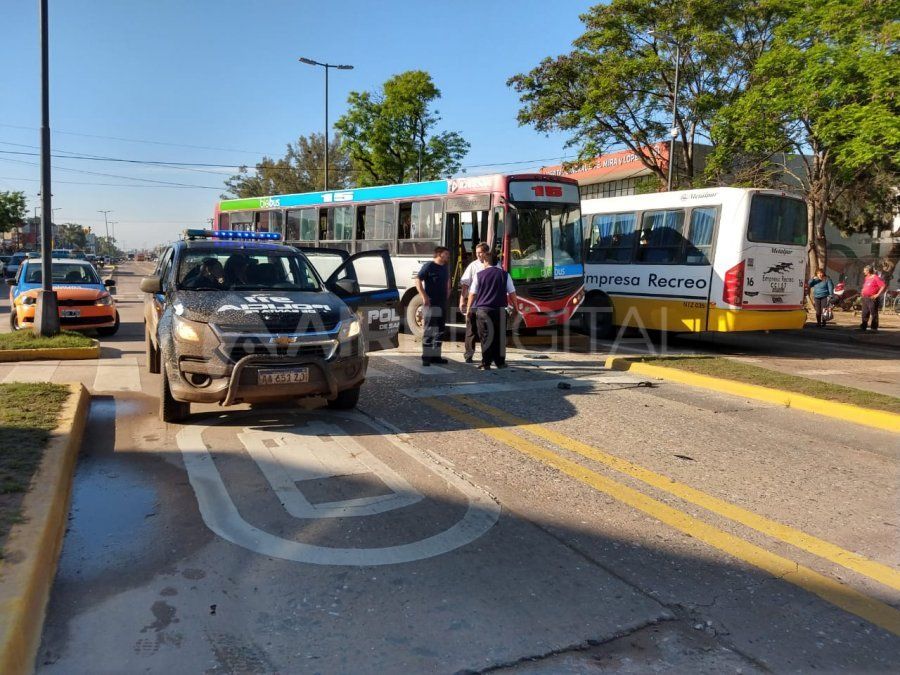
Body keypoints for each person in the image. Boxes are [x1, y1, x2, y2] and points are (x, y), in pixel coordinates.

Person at [467, 251, 518, 370]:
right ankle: (500, 362)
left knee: (485, 337)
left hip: (483, 311)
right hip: (500, 311)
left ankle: (486, 363)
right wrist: (516, 308)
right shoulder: (505, 275)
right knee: (499, 336)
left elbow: (472, 294)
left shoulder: (479, 275)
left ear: (486, 261)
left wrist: (469, 309)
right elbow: (512, 293)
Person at [415, 246, 451, 365]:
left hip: (442, 303)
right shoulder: (429, 266)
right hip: (431, 303)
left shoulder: (445, 267)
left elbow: (447, 281)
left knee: (440, 330)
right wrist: (424, 297)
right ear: (439, 254)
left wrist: (448, 291)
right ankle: (426, 358)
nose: (448, 256)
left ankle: (436, 356)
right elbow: (418, 280)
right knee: (429, 330)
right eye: (446, 254)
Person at [459, 242, 491, 363]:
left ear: (486, 253)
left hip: (486, 305)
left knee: (485, 332)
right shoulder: (473, 266)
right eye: (476, 253)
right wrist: (462, 300)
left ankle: (486, 357)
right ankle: (468, 355)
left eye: (480, 253)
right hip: (473, 305)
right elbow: (465, 285)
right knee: (471, 331)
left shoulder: (494, 266)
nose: (478, 255)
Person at [860, 264, 886, 332]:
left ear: (868, 271)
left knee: (873, 313)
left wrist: (877, 294)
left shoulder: (875, 277)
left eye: (865, 270)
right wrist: (863, 290)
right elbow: (865, 286)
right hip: (865, 298)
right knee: (864, 313)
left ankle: (874, 328)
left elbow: (883, 286)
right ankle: (863, 326)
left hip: (872, 298)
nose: (864, 272)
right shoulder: (867, 278)